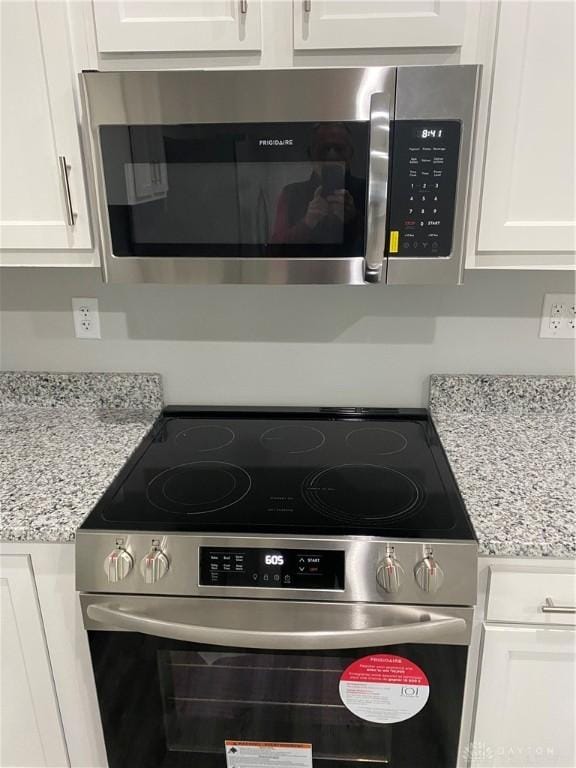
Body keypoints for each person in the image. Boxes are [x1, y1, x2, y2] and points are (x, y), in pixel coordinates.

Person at [270, 123, 365, 255]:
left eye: (339, 148)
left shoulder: (365, 190)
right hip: (299, 273)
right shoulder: (291, 193)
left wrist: (354, 218)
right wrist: (307, 222)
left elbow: (379, 243)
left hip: (357, 274)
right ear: (310, 154)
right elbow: (274, 252)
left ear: (350, 154)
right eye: (324, 148)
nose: (332, 155)